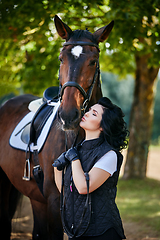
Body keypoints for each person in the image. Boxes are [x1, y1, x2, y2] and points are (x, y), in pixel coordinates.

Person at [52, 97, 129, 240]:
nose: (86, 113)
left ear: (103, 126)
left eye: (94, 113)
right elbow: (66, 192)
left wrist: (74, 159)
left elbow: (83, 187)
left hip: (101, 232)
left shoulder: (109, 155)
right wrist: (57, 168)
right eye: (89, 110)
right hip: (77, 230)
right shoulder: (78, 149)